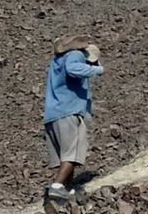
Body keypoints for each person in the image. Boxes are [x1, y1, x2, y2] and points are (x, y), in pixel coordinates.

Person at [43, 35, 103, 202]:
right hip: (69, 112)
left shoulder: (57, 61)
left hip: (52, 114)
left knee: (66, 156)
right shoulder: (76, 56)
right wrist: (98, 70)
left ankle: (65, 192)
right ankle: (56, 187)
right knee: (73, 153)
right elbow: (73, 69)